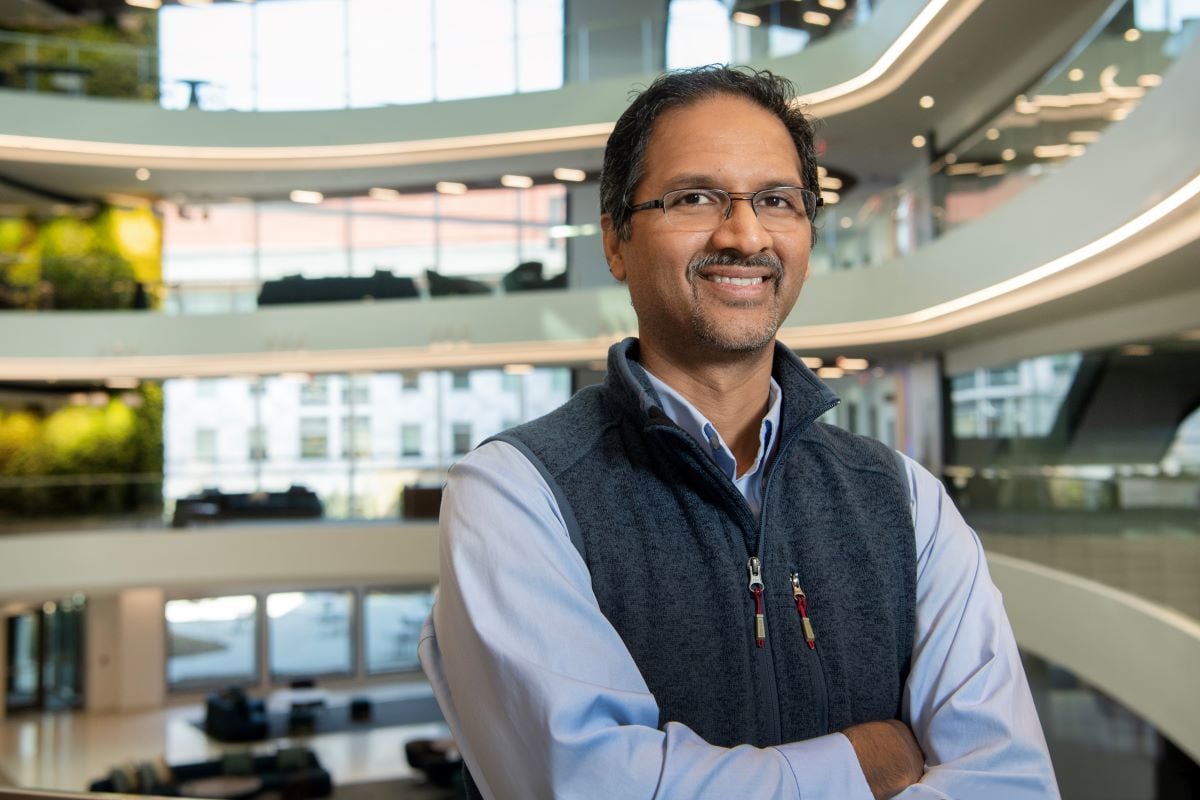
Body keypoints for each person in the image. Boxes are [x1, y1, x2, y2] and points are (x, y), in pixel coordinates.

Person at [419, 65, 1059, 799]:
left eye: (777, 201)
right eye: (696, 197)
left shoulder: (905, 499)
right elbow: (590, 787)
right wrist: (862, 763)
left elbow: (1011, 783)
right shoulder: (515, 493)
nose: (745, 234)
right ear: (616, 242)